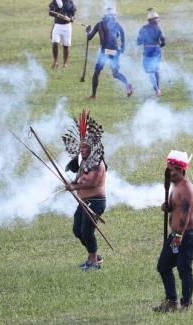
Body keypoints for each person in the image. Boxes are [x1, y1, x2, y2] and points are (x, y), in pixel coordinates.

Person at [154, 150, 193, 313]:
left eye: (172, 168)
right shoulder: (176, 186)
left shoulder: (187, 188)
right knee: (163, 266)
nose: (168, 171)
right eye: (168, 168)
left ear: (181, 170)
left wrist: (178, 235)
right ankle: (171, 302)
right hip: (176, 235)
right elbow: (176, 207)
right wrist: (167, 206)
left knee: (183, 268)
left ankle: (186, 304)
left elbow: (185, 214)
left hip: (186, 235)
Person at [62, 109, 106, 272]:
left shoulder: (98, 163)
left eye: (85, 148)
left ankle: (93, 262)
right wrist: (73, 182)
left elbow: (93, 183)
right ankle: (93, 256)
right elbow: (81, 177)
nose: (81, 150)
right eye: (81, 148)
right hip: (83, 202)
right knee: (77, 231)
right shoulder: (84, 161)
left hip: (95, 202)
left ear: (91, 148)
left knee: (87, 231)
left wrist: (75, 187)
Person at [86, 7, 133, 100]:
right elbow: (122, 35)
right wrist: (122, 48)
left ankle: (93, 95)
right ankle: (127, 85)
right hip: (113, 51)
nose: (112, 18)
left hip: (106, 51)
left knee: (97, 72)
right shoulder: (110, 25)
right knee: (114, 73)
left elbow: (89, 37)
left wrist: (88, 32)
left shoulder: (105, 25)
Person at [137, 8, 166, 97]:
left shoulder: (143, 29)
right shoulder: (158, 28)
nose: (158, 20)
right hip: (156, 50)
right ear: (152, 20)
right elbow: (163, 40)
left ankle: (157, 89)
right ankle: (158, 89)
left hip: (148, 51)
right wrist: (161, 45)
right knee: (156, 70)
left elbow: (139, 41)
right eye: (156, 18)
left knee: (151, 72)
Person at [48, 0, 77, 69]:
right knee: (55, 43)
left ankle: (65, 63)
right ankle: (55, 62)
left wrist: (72, 18)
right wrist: (58, 15)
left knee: (66, 45)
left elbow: (73, 14)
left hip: (67, 27)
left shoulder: (71, 3)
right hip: (58, 25)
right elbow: (50, 12)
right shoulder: (56, 1)